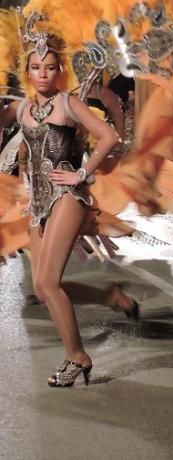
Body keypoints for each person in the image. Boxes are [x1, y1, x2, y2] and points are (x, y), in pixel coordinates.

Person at [0, 30, 122, 387]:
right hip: (36, 201)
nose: (42, 73)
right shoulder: (22, 107)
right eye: (36, 67)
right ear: (27, 71)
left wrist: (83, 173)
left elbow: (110, 137)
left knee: (49, 283)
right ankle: (107, 299)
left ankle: (77, 356)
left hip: (68, 196)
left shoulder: (68, 104)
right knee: (42, 288)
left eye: (50, 67)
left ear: (59, 71)